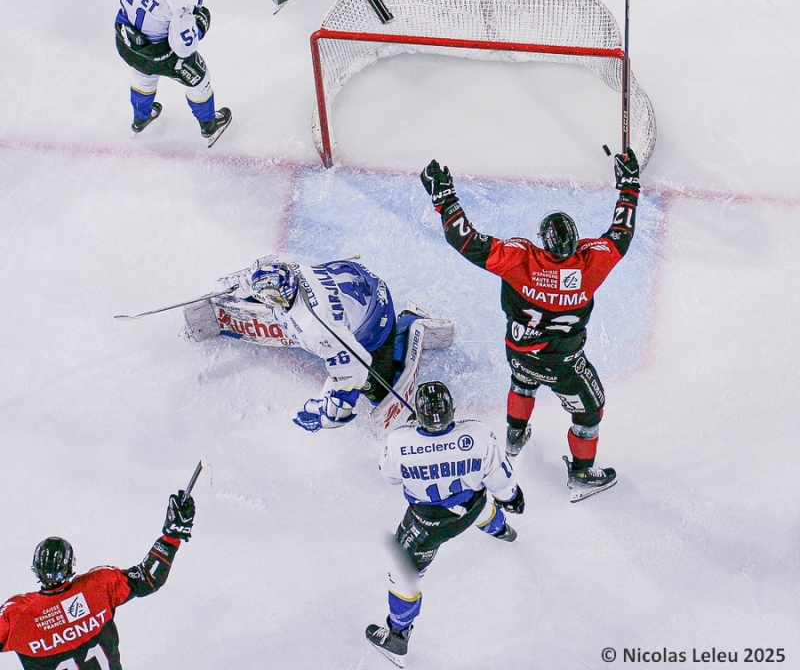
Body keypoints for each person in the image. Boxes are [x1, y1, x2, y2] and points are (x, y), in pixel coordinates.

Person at [420, 150, 641, 502]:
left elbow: (464, 240)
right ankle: (583, 474)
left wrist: (444, 197)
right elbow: (621, 234)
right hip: (565, 364)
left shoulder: (519, 259)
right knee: (589, 413)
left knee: (522, 383)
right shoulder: (591, 264)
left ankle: (515, 435)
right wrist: (629, 186)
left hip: (520, 351)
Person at [365, 381, 524, 666]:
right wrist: (512, 497)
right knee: (477, 506)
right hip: (471, 508)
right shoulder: (477, 433)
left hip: (427, 526)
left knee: (404, 575)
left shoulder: (399, 439)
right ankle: (502, 529)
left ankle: (397, 637)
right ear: (452, 410)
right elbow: (499, 478)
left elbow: (389, 477)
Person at [0, 491, 195, 670]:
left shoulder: (16, 615)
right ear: (70, 565)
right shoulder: (98, 587)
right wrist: (172, 535)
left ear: (36, 569)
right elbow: (148, 577)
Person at [217, 255, 409, 431]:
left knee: (372, 386)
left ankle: (407, 329)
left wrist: (335, 412)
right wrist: (247, 286)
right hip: (357, 281)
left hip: (376, 319)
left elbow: (356, 364)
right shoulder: (292, 267)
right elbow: (274, 262)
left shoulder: (315, 328)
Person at [115, 0, 232, 143]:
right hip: (158, 55)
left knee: (143, 76)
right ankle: (209, 126)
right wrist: (200, 24)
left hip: (126, 41)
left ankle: (140, 118)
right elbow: (184, 47)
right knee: (199, 80)